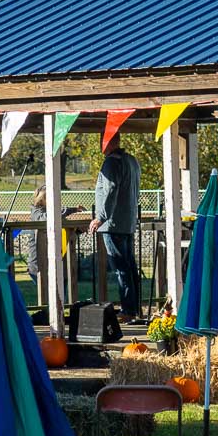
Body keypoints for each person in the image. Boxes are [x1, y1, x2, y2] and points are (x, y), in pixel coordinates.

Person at [89, 134, 141, 322]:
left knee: (121, 268)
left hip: (112, 223)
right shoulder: (132, 161)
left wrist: (100, 217)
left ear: (108, 142)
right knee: (129, 267)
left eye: (102, 140)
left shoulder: (112, 163)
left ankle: (128, 310)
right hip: (127, 221)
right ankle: (134, 307)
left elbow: (110, 189)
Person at [25, 186, 85, 284]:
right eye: (51, 197)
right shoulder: (37, 213)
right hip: (39, 265)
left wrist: (78, 231)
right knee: (48, 295)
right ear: (42, 199)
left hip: (59, 264)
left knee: (61, 295)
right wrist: (70, 210)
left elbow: (65, 235)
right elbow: (46, 218)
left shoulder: (55, 214)